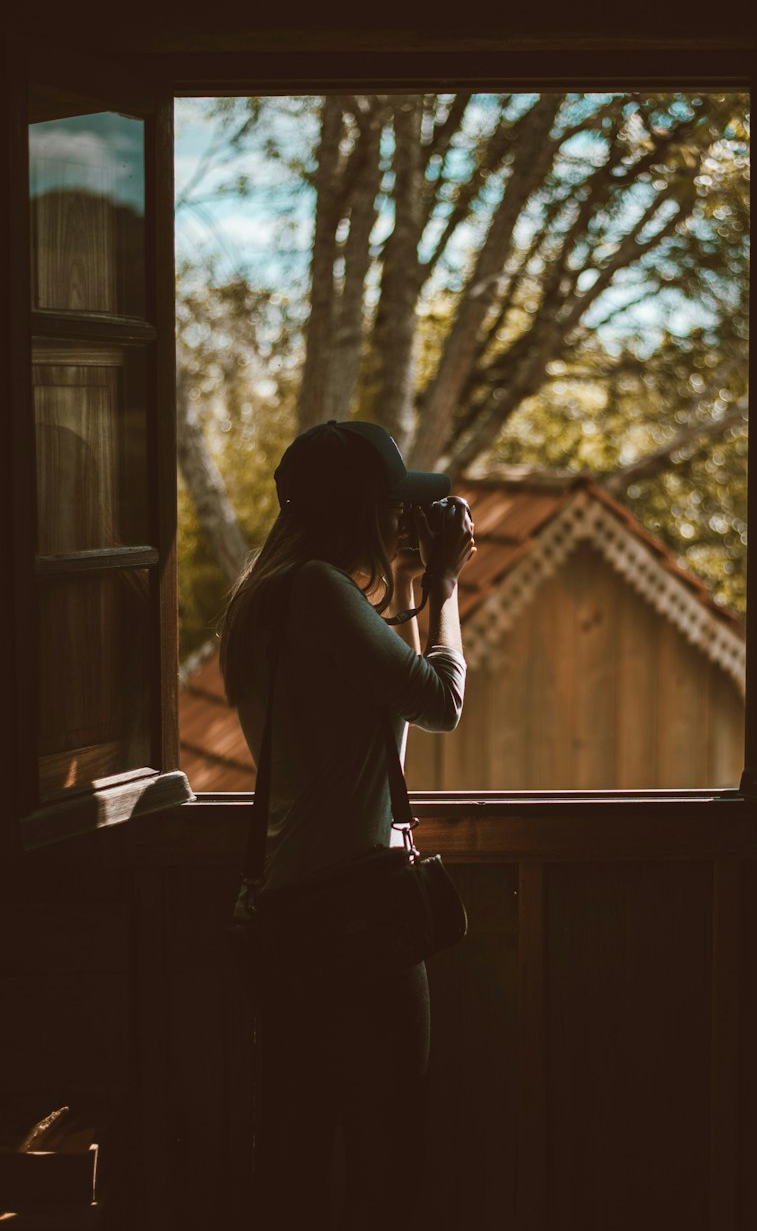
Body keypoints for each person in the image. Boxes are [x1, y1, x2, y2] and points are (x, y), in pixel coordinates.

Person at [219, 419, 476, 1229]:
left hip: (295, 907)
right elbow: (440, 699)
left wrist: (410, 582)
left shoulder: (268, 597)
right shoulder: (320, 592)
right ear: (360, 508)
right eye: (393, 506)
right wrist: (447, 589)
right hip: (358, 916)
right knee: (386, 1160)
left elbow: (358, 699)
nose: (405, 520)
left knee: (293, 1152)